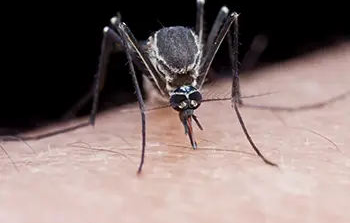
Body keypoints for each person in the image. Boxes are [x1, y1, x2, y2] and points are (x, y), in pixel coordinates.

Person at [1, 42, 349, 223]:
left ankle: (240, 102)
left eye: (191, 102)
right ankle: (90, 116)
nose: (188, 108)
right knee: (115, 30)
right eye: (182, 102)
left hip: (184, 57)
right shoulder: (165, 80)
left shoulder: (193, 84)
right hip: (163, 56)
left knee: (228, 17)